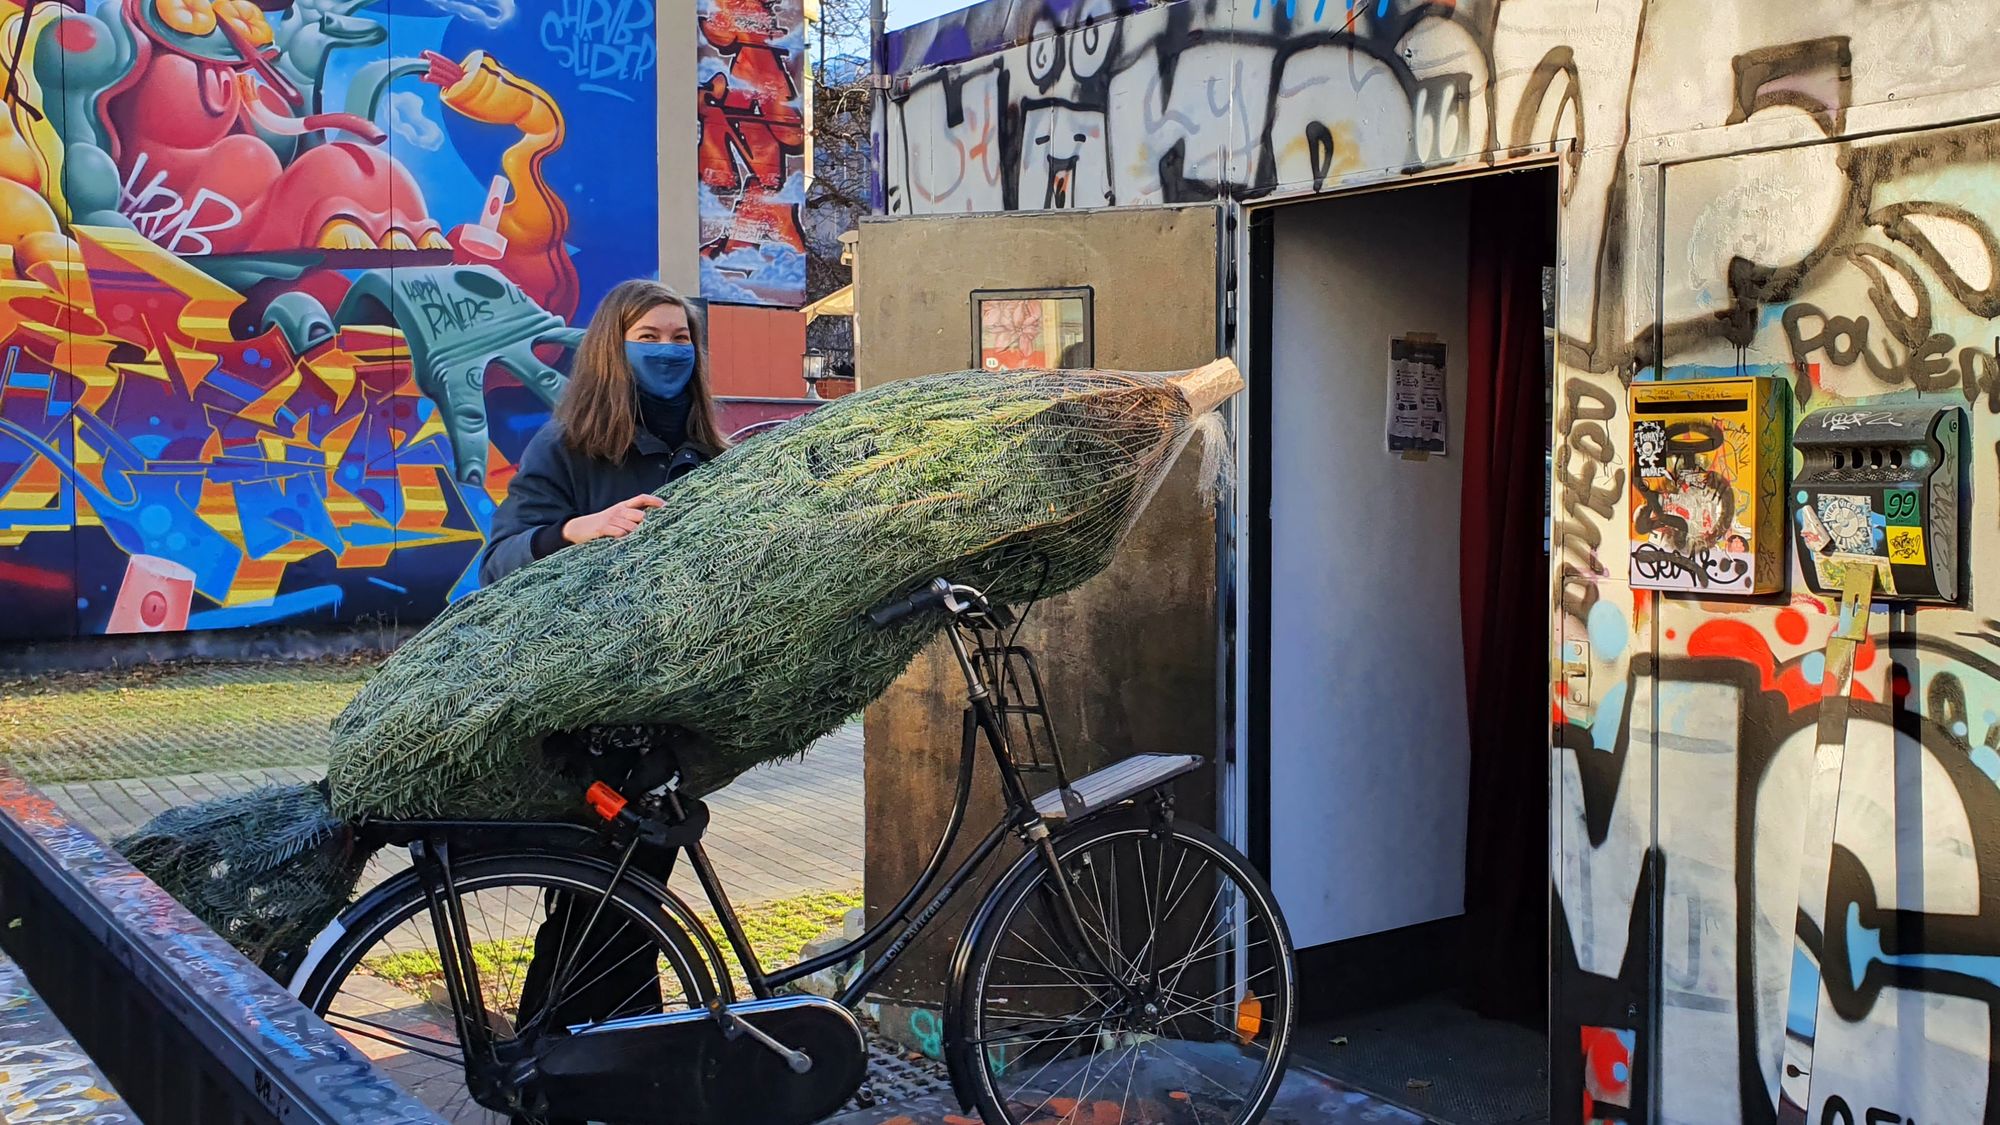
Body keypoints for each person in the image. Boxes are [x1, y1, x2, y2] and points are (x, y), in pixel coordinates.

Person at [475, 280, 729, 1074]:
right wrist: (579, 529)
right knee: (591, 910)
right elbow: (499, 559)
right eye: (651, 336)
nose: (670, 351)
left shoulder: (707, 452)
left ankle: (618, 1073)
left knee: (633, 914)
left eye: (682, 338)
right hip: (590, 727)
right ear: (613, 350)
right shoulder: (569, 448)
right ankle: (544, 1071)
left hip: (667, 722)